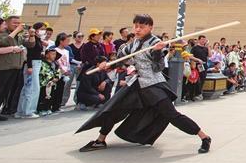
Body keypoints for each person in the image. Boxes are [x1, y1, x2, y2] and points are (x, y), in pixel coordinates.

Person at [77, 14, 212, 154]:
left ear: (150, 27)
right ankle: (100, 140)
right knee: (114, 109)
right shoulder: (134, 43)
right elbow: (121, 59)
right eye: (136, 26)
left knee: (172, 115)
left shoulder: (156, 42)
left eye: (141, 27)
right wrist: (107, 65)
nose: (137, 29)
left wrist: (157, 52)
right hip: (136, 83)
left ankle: (204, 137)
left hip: (153, 84)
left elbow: (158, 67)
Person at [15, 22, 46, 118]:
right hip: (32, 64)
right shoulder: (32, 39)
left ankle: (21, 110)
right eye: (41, 29)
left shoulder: (38, 39)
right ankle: (28, 111)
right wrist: (30, 66)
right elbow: (30, 53)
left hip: (37, 63)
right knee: (32, 88)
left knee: (29, 88)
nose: (43, 31)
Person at [38, 46, 64, 115]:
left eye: (55, 54)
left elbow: (58, 71)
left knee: (51, 96)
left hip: (53, 83)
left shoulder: (55, 63)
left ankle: (49, 108)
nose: (54, 56)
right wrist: (51, 78)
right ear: (47, 55)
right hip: (45, 83)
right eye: (52, 54)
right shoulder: (43, 63)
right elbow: (43, 72)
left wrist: (57, 77)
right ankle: (42, 109)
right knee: (44, 96)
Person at [54, 33, 75, 108]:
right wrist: (62, 69)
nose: (67, 43)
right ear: (61, 41)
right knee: (56, 89)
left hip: (65, 72)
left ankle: (58, 105)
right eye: (66, 41)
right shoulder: (56, 50)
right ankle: (54, 105)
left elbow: (67, 61)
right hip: (58, 72)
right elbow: (57, 61)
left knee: (61, 89)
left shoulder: (66, 51)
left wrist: (68, 70)